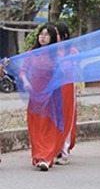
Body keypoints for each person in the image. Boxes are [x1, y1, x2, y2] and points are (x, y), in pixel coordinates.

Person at [19, 23, 63, 171]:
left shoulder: (56, 54)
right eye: (41, 34)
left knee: (49, 125)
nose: (43, 37)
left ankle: (47, 157)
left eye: (46, 35)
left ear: (51, 38)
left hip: (51, 94)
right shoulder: (32, 52)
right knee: (36, 125)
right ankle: (38, 156)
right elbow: (23, 70)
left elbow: (62, 72)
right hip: (35, 94)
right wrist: (26, 82)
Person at [54, 21, 78, 165]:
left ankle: (64, 150)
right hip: (52, 89)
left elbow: (75, 69)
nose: (53, 36)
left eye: (56, 33)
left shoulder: (72, 51)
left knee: (66, 117)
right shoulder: (47, 50)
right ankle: (54, 147)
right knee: (54, 117)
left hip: (67, 87)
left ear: (64, 35)